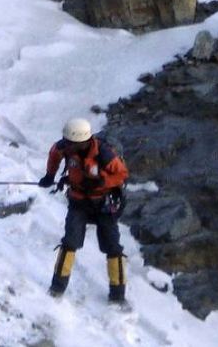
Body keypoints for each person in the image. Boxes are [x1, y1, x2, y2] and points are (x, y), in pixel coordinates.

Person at [38, 118, 129, 303]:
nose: (67, 146)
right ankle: (57, 288)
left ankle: (118, 296)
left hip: (103, 203)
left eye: (71, 144)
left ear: (83, 142)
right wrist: (49, 175)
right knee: (69, 243)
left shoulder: (104, 154)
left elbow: (121, 174)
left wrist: (101, 182)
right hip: (78, 201)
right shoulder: (66, 146)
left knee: (113, 248)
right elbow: (54, 153)